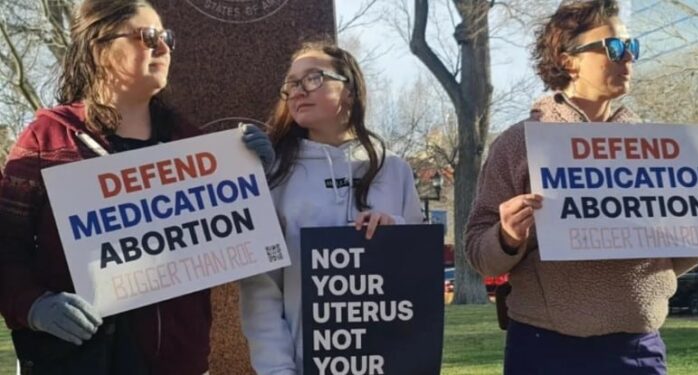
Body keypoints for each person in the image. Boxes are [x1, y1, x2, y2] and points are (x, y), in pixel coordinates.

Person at [464, 1, 698, 374]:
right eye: (614, 48)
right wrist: (506, 236)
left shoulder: (660, 150)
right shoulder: (519, 144)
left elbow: (671, 259)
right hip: (544, 346)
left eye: (633, 48)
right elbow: (478, 253)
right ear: (569, 60)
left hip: (637, 347)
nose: (628, 58)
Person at [0, 1, 211, 373]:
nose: (163, 47)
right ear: (99, 48)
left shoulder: (188, 142)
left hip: (178, 363)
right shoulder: (46, 141)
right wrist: (32, 306)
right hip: (81, 360)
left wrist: (252, 165)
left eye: (166, 38)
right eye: (148, 37)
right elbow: (5, 245)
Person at [239, 41, 423, 375]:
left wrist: (392, 231)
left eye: (312, 79)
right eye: (292, 84)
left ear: (349, 90)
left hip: (386, 361)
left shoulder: (393, 169)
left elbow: (417, 277)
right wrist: (277, 370)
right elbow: (261, 290)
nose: (298, 91)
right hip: (304, 363)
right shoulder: (275, 173)